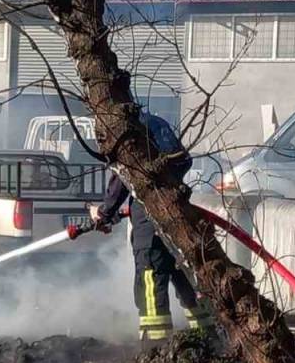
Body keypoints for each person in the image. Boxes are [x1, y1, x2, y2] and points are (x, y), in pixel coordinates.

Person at [90, 111, 214, 347]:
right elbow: (183, 160)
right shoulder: (156, 123)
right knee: (185, 273)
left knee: (150, 277)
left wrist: (103, 213)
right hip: (177, 210)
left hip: (149, 217)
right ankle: (208, 336)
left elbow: (122, 181)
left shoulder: (123, 132)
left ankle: (155, 345)